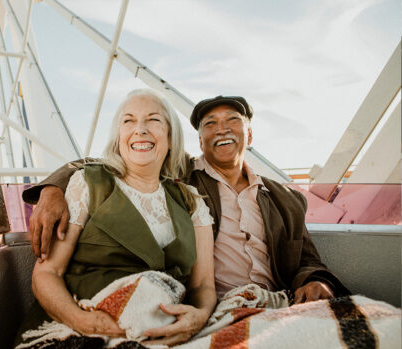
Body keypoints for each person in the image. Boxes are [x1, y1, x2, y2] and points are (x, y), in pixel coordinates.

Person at [23, 95, 350, 304]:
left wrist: (316, 281)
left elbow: (308, 259)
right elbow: (113, 162)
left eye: (232, 120)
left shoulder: (286, 199)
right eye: (210, 124)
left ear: (249, 135)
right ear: (199, 139)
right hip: (220, 305)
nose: (222, 129)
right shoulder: (182, 178)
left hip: (280, 301)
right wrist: (52, 189)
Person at [12, 89, 216, 349]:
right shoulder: (88, 184)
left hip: (167, 332)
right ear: (118, 136)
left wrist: (199, 316)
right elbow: (47, 273)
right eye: (128, 121)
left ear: (170, 136)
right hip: (84, 328)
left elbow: (203, 285)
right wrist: (83, 322)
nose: (140, 130)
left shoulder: (191, 201)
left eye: (153, 120)